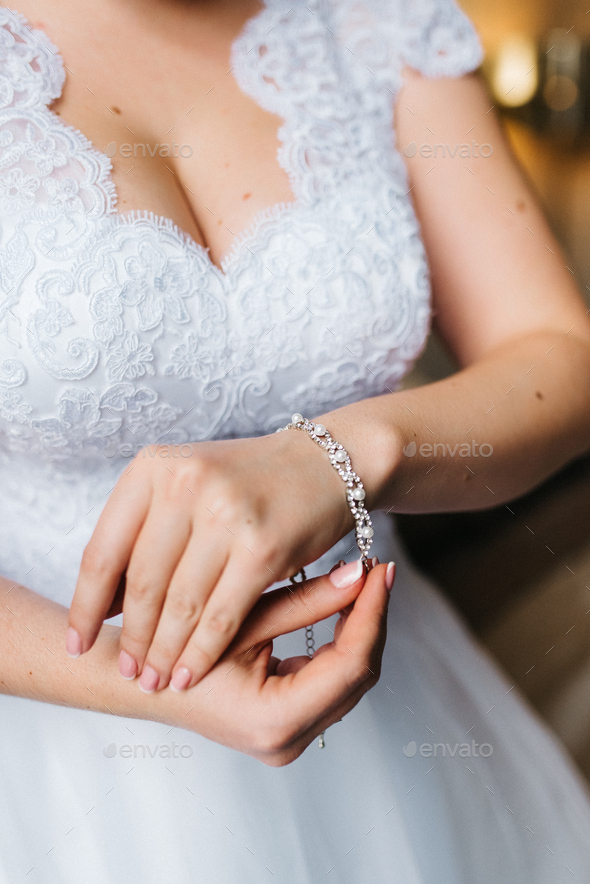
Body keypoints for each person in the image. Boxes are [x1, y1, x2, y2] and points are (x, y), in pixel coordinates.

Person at [1, 0, 590, 881]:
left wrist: (342, 455)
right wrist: (141, 681)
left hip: (394, 715)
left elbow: (558, 355)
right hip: (53, 757)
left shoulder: (377, 21)